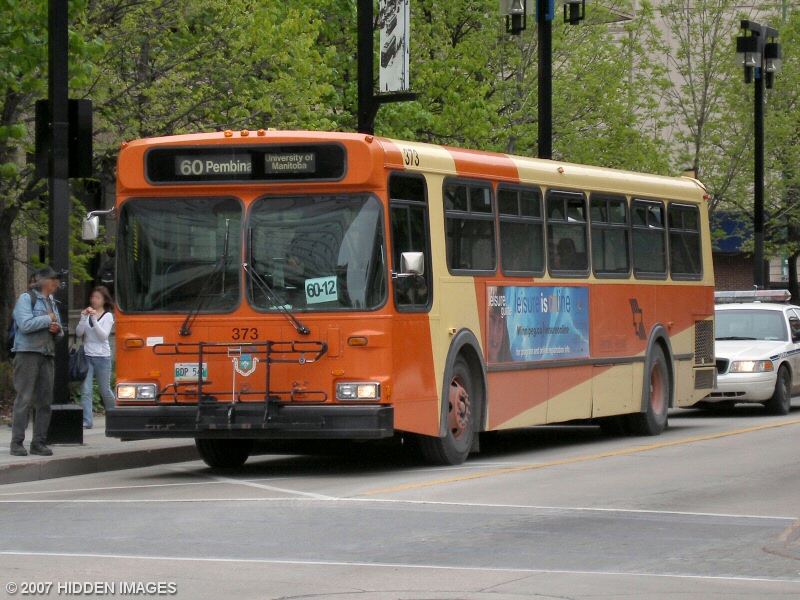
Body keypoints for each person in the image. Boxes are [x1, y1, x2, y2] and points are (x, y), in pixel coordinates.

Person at [9, 266, 64, 457]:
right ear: (42, 281)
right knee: (24, 398)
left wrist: (57, 330)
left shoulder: (52, 302)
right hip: (27, 353)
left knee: (45, 401)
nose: (56, 283)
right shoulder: (26, 299)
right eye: (53, 279)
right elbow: (24, 325)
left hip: (47, 354)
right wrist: (47, 319)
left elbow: (59, 331)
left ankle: (39, 442)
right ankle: (17, 442)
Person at [75, 286, 116, 429]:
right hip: (87, 355)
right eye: (92, 297)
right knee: (86, 389)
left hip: (102, 357)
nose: (94, 300)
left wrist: (94, 319)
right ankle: (87, 420)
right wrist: (83, 318)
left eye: (98, 298)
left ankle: (115, 415)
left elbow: (103, 336)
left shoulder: (108, 316)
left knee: (105, 390)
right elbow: (79, 333)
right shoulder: (87, 315)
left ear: (104, 300)